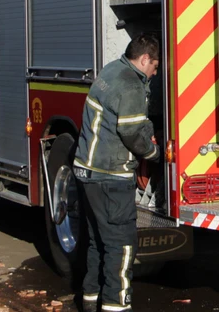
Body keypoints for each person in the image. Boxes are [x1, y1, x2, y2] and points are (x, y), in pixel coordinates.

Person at [74, 34, 161, 312]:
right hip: (110, 177)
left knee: (97, 243)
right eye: (155, 66)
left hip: (88, 173)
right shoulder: (130, 84)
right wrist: (156, 155)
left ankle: (90, 300)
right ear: (144, 59)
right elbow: (131, 132)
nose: (155, 72)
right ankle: (115, 306)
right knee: (121, 247)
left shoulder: (111, 69)